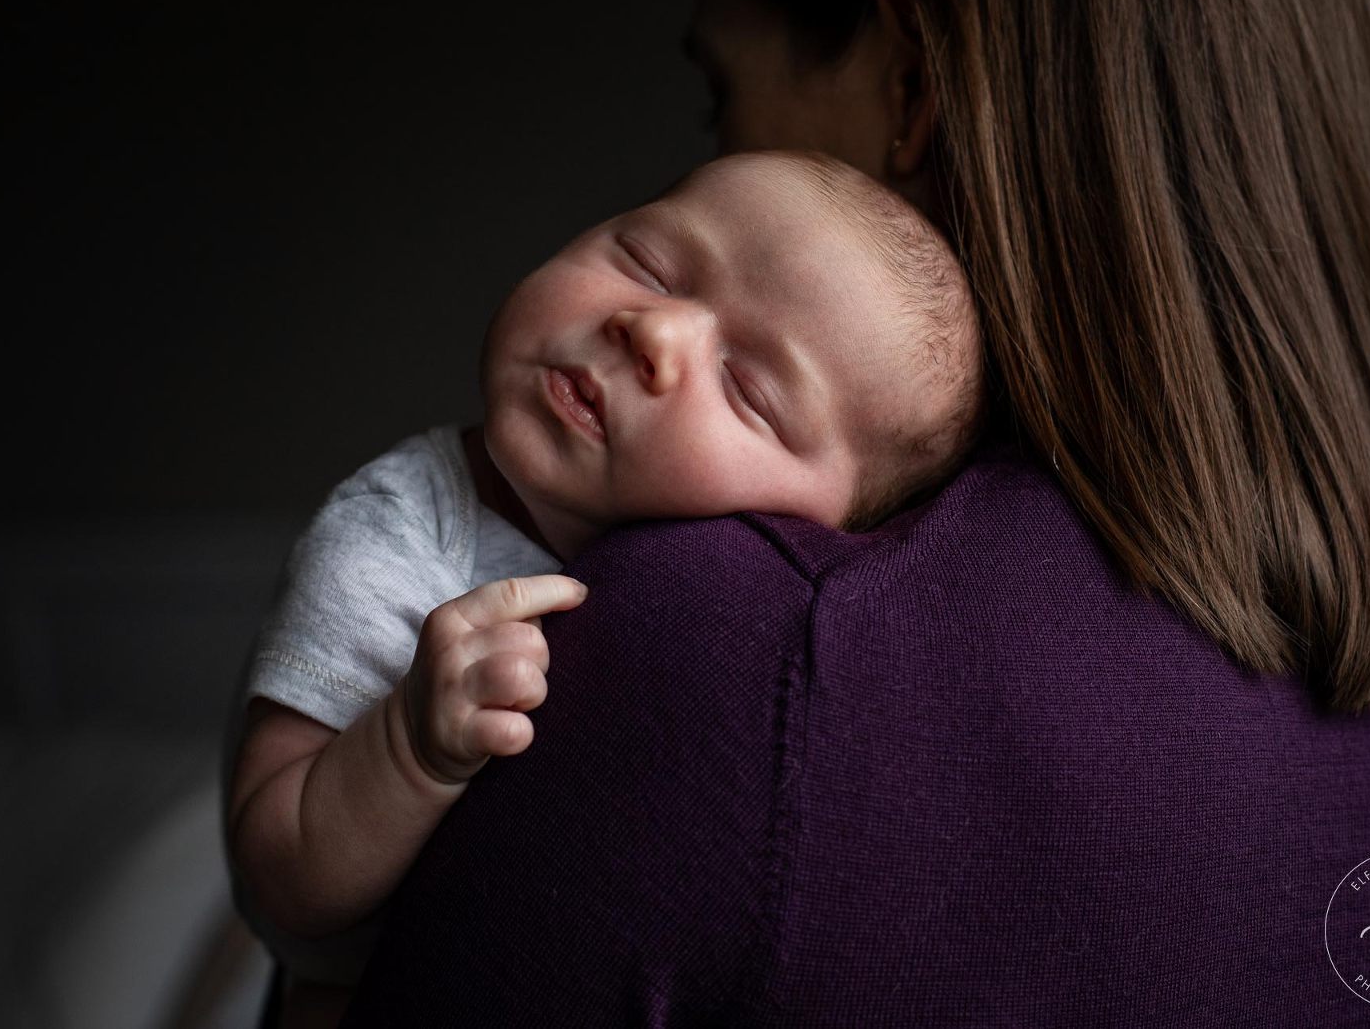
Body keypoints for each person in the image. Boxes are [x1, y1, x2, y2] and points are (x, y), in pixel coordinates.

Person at [331, 0, 1370, 1025]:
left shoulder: (735, 645)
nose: (645, 335)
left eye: (719, 98)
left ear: (907, 85)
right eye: (647, 258)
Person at [222, 149, 980, 1027]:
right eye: (648, 263)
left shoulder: (791, 640)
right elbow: (277, 877)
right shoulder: (397, 538)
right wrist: (407, 747)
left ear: (833, 532)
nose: (650, 330)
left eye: (747, 387)